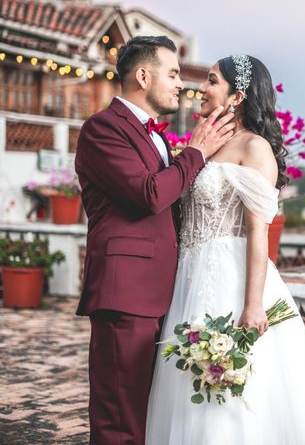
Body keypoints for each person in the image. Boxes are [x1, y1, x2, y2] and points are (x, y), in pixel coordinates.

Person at [145, 55, 305, 444]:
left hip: (231, 276)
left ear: (238, 95)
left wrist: (254, 304)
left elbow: (260, 232)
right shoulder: (205, 143)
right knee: (189, 381)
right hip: (189, 276)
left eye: (211, 81)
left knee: (233, 390)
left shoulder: (255, 147)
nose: (202, 89)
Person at [75, 35, 236, 445]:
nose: (181, 84)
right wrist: (196, 151)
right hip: (125, 292)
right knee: (119, 419)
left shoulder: (158, 138)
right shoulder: (102, 129)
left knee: (148, 415)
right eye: (173, 73)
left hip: (165, 293)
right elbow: (150, 195)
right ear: (143, 76)